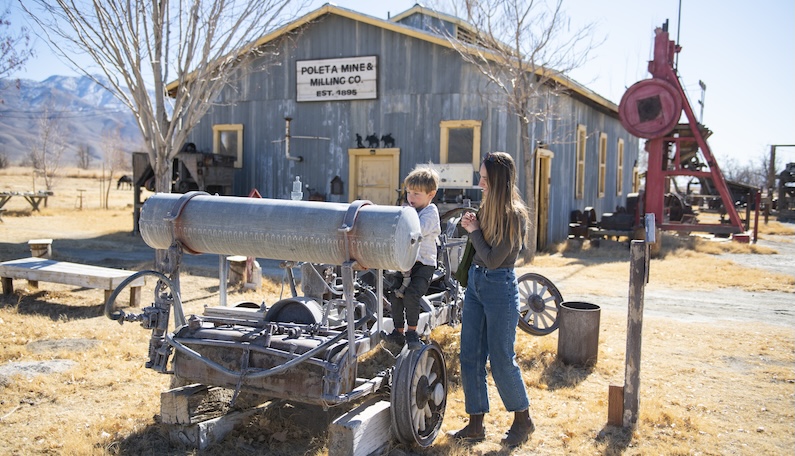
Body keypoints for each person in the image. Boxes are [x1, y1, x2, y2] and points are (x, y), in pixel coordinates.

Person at [452, 152, 535, 447]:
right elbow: (481, 254)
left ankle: (523, 420)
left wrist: (473, 231)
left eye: (485, 179)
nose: (480, 183)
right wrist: (475, 222)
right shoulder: (487, 208)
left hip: (499, 286)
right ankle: (475, 424)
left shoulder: (514, 215)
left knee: (501, 358)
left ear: (498, 181)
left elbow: (492, 258)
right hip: (476, 284)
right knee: (469, 355)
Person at [385, 167, 441, 350]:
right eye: (409, 192)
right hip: (404, 262)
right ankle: (398, 331)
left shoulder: (430, 212)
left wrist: (402, 219)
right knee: (395, 294)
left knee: (411, 294)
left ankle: (412, 331)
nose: (411, 197)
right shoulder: (408, 210)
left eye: (416, 194)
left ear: (430, 194)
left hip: (423, 264)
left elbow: (416, 231)